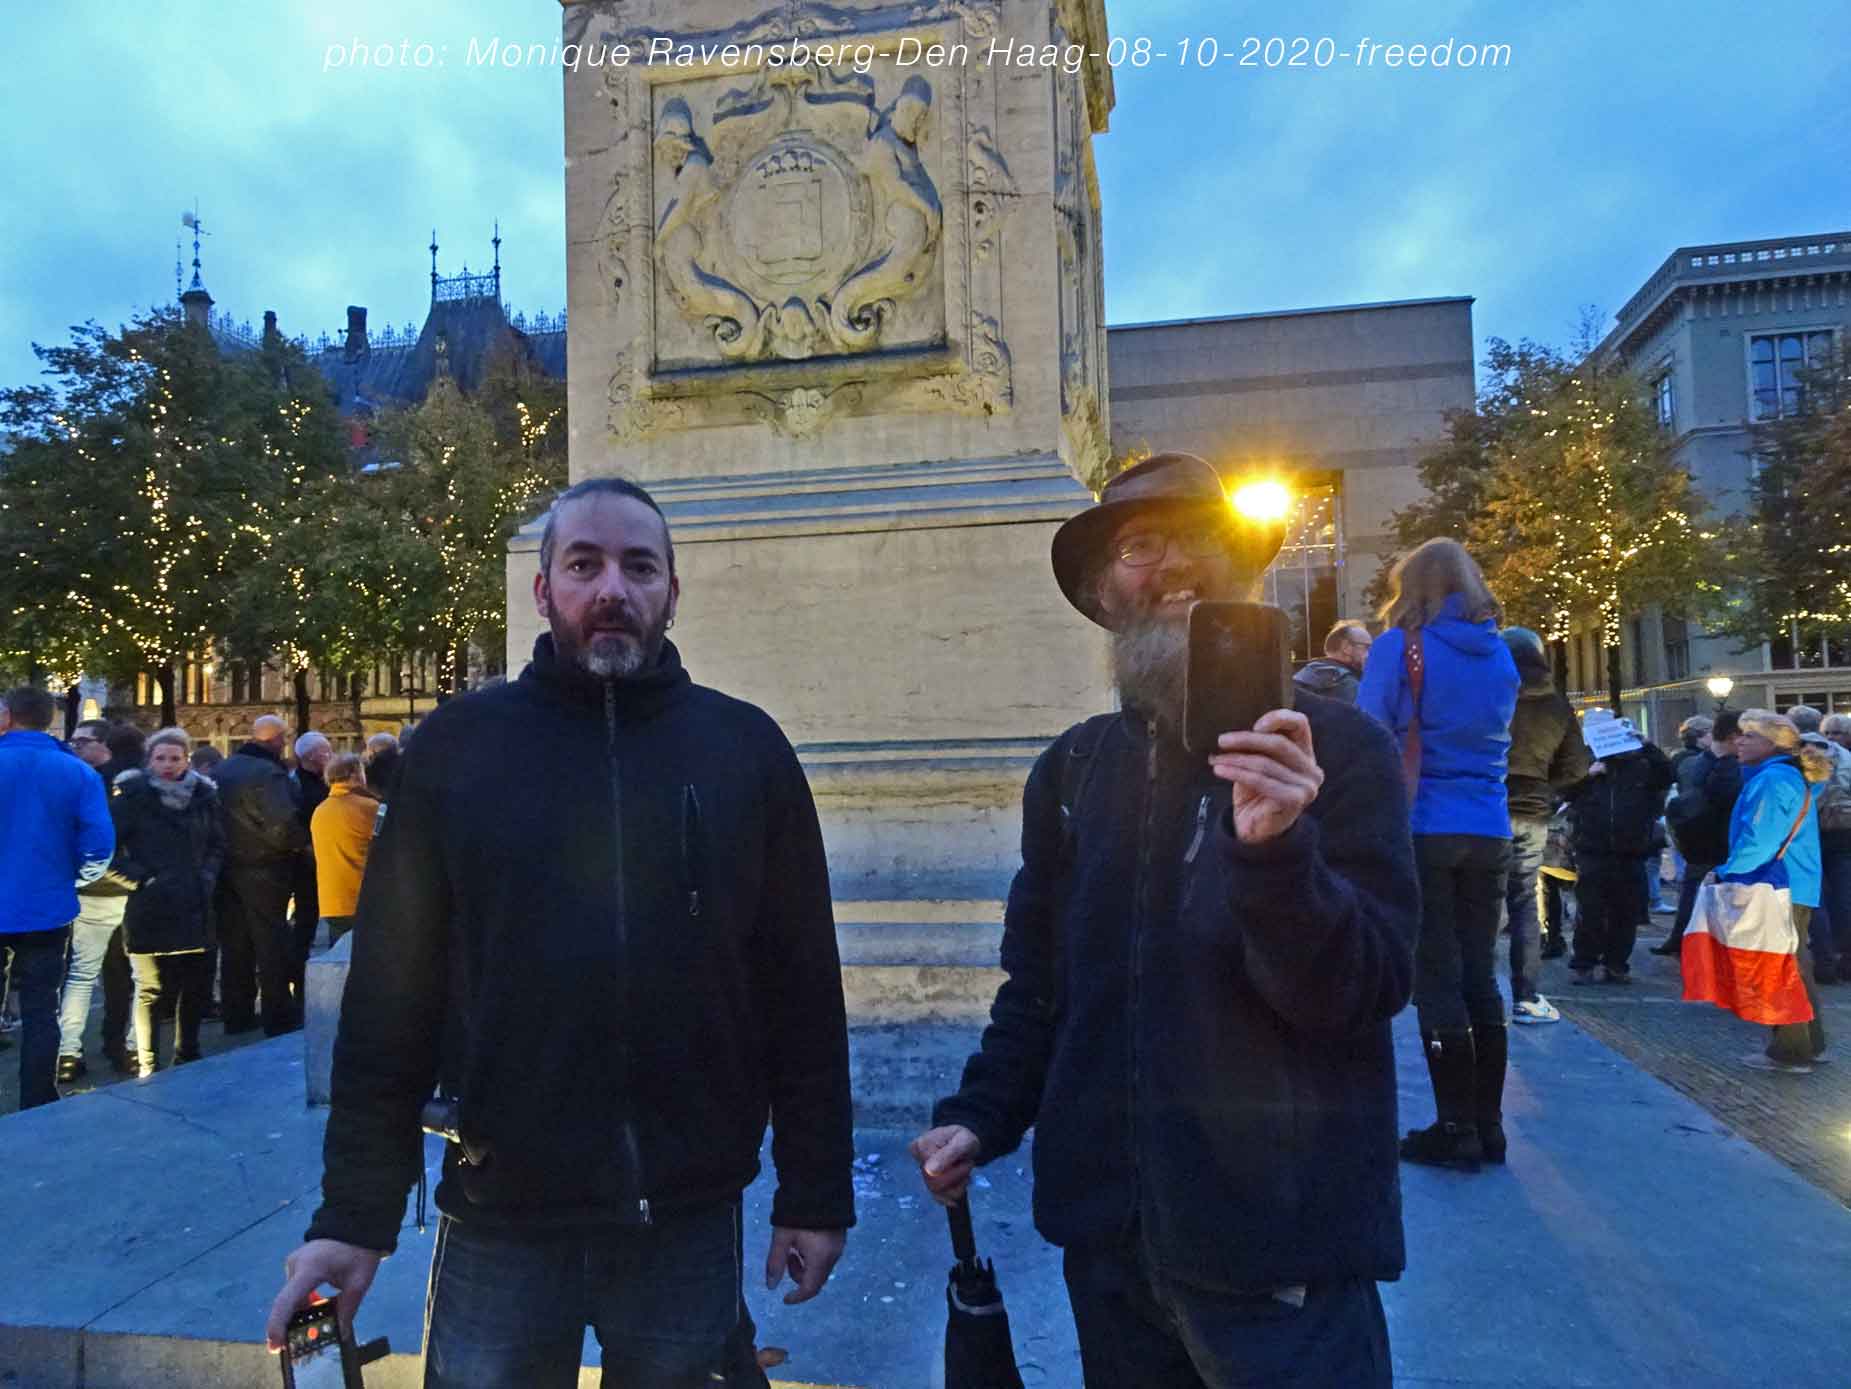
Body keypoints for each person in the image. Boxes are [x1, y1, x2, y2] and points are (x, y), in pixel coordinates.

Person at [267, 477, 854, 1387]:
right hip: (501, 1210)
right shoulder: (457, 749)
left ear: (671, 591)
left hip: (685, 1215)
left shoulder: (745, 749)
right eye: (584, 564)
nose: (611, 587)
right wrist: (352, 1215)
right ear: (543, 590)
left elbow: (801, 987)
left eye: (638, 566)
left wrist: (815, 1189)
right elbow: (391, 996)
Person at [912, 453, 1419, 1387]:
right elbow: (1042, 986)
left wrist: (1277, 853)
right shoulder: (1073, 769)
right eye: (1140, 545)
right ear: (1103, 594)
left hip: (1280, 1260)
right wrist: (981, 1115)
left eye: (1202, 538)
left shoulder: (1334, 748)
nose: (1176, 563)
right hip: (1111, 1250)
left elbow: (1366, 985)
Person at [1357, 538, 1518, 1170]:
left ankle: (1454, 1128)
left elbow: (1370, 734)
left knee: (1436, 975)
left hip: (1425, 823)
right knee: (1480, 973)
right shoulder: (1500, 652)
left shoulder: (1401, 647)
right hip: (1490, 825)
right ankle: (1489, 1125)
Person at [0, 686, 115, 1108]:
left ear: (8, 716)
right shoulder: (77, 772)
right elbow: (99, 844)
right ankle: (36, 1099)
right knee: (41, 1010)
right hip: (47, 905)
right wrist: (75, 878)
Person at [108, 728, 225, 1076]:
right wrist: (141, 879)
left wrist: (207, 876)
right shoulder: (132, 798)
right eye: (161, 758)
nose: (168, 765)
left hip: (195, 901)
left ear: (187, 760)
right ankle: (149, 1063)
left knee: (195, 984)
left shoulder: (204, 797)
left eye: (175, 758)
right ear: (149, 761)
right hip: (151, 905)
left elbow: (218, 843)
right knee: (151, 988)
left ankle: (188, 1052)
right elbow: (107, 851)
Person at [1721, 710, 1832, 1071]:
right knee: (1795, 962)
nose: (1739, 741)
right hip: (1795, 881)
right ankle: (1809, 1042)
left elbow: (1761, 838)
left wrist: (1726, 872)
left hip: (1777, 883)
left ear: (1771, 743)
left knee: (1780, 965)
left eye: (1748, 735)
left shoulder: (1772, 780)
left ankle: (1791, 1049)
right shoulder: (1789, 775)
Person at [1499, 627, 1589, 1024]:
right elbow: (1575, 767)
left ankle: (1477, 996)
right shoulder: (1556, 705)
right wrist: (1547, 790)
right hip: (1532, 811)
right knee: (1523, 904)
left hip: (1487, 807)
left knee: (1479, 902)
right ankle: (1526, 996)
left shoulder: (1488, 696)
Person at [56, 720, 142, 1082]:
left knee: (82, 973)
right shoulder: (139, 785)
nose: (75, 747)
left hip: (92, 890)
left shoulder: (81, 785)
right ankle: (131, 1047)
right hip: (130, 890)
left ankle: (68, 1052)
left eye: (82, 741)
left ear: (103, 745)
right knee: (133, 974)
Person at [214, 715, 309, 1036]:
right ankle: (278, 1014)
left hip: (227, 866)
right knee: (271, 941)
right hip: (265, 866)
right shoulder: (269, 774)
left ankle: (236, 1013)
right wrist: (299, 846)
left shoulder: (224, 769)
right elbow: (282, 823)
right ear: (277, 740)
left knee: (235, 942)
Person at [1565, 719, 1673, 986]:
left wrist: (1648, 746)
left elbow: (1668, 774)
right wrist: (1587, 776)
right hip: (1592, 849)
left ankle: (1616, 964)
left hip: (1631, 851)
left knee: (1625, 913)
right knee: (1590, 911)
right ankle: (1585, 963)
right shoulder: (1588, 766)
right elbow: (1564, 791)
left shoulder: (1642, 767)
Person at [1655, 711, 1743, 958]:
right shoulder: (1721, 764)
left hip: (1700, 838)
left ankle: (1684, 939)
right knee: (1701, 891)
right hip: (1714, 839)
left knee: (1693, 889)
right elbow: (1724, 796)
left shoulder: (1699, 761)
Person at [308, 754, 376, 946]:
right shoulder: (369, 807)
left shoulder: (320, 810)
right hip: (362, 897)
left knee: (338, 956)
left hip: (331, 900)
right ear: (355, 774)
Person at [290, 731, 334, 995]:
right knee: (306, 921)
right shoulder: (298, 787)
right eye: (325, 751)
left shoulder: (318, 782)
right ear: (311, 756)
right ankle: (300, 980)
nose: (330, 754)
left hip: (319, 858)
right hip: (308, 863)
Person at [1816, 714, 1851, 983]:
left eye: (1836, 733)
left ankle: (1835, 957)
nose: (1831, 738)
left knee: (1838, 897)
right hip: (1831, 833)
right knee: (1837, 896)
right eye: (1827, 732)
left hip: (1835, 834)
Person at [1291, 618, 1372, 705]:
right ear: (1346, 647)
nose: (1370, 654)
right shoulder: (1346, 683)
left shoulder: (1305, 673)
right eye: (1367, 647)